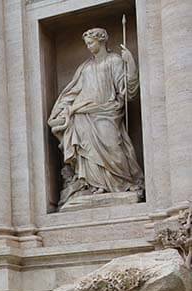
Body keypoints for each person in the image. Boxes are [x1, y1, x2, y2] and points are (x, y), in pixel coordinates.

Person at [48, 28, 143, 207]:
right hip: (83, 114)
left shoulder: (114, 61)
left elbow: (126, 91)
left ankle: (121, 183)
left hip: (108, 112)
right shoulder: (85, 67)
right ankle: (94, 185)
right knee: (88, 152)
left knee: (113, 146)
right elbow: (73, 91)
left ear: (101, 41)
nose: (89, 47)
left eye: (91, 43)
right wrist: (61, 110)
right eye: (87, 44)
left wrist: (130, 64)